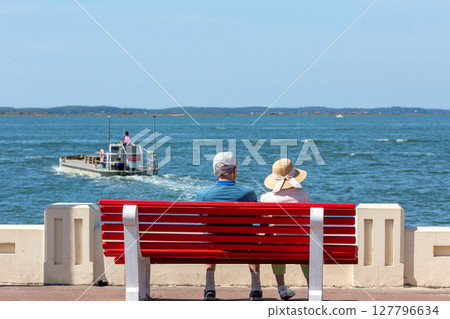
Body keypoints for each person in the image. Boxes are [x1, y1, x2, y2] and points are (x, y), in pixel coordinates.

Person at [196, 151, 262, 301]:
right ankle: (256, 289)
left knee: (208, 237)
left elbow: (201, 222)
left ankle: (210, 288)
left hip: (214, 244)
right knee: (253, 237)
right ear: (235, 171)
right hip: (244, 245)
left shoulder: (202, 194)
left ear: (214, 171)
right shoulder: (248, 194)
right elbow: (256, 219)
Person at [260, 158, 310, 300]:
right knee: (306, 246)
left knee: (275, 242)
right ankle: (311, 288)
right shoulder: (304, 195)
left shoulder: (266, 198)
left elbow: (263, 224)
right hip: (301, 244)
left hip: (277, 245)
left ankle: (281, 287)